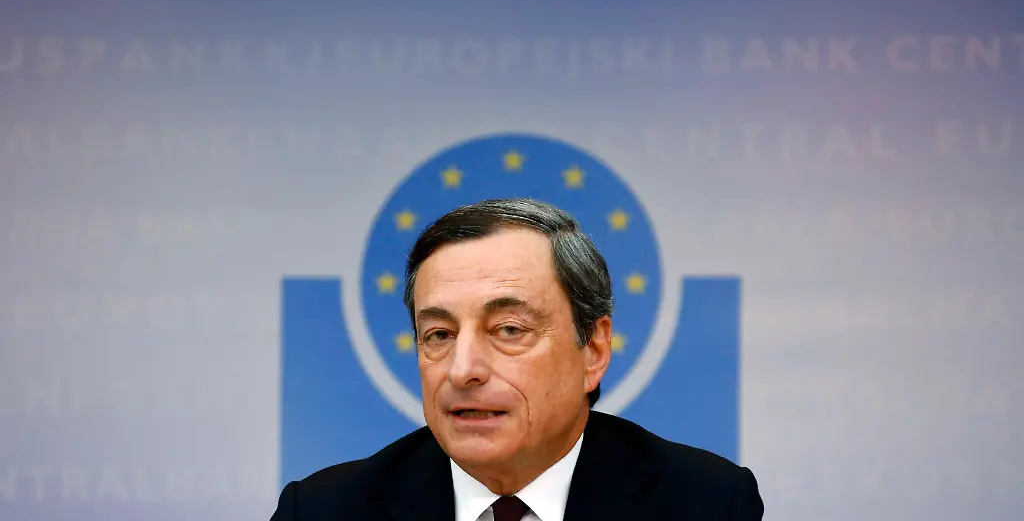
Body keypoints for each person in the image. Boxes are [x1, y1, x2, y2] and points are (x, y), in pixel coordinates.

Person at [269, 198, 764, 521]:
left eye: (508, 330)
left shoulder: (706, 504)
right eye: (439, 334)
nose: (463, 370)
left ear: (593, 350)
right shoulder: (322, 512)